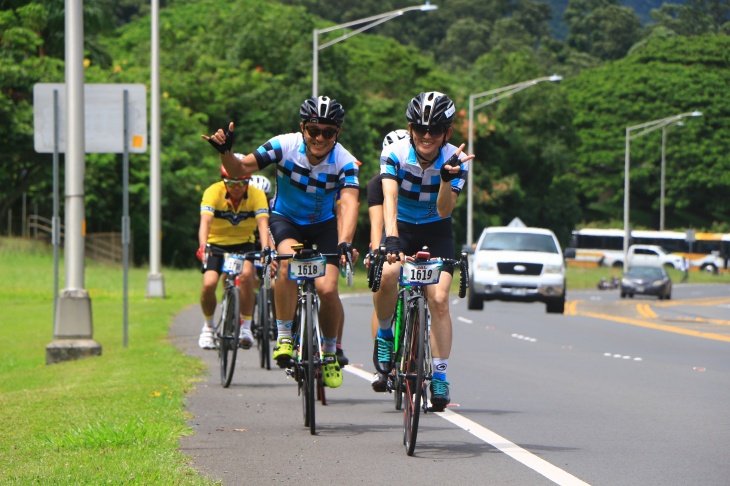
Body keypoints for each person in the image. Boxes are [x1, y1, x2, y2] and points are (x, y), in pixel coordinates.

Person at [202, 96, 359, 389]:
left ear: (337, 133)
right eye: (314, 130)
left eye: (328, 132)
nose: (320, 138)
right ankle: (285, 335)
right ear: (303, 128)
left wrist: (345, 242)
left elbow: (349, 204)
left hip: (324, 225)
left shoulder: (345, 161)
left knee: (328, 288)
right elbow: (239, 169)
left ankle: (328, 351)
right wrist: (226, 152)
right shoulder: (283, 146)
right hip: (286, 220)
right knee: (288, 266)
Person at [371, 92, 474, 409]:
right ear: (410, 128)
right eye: (420, 128)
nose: (427, 135)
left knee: (439, 298)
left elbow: (445, 210)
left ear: (448, 132)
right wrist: (391, 238)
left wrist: (446, 178)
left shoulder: (456, 161)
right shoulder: (395, 152)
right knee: (388, 274)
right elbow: (389, 197)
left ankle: (440, 376)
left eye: (435, 129)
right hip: (401, 225)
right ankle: (386, 336)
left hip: (436, 229)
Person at [197, 166, 273, 350]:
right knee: (209, 284)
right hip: (216, 244)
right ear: (224, 180)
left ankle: (246, 327)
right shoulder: (213, 192)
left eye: (242, 183)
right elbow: (205, 222)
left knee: (247, 276)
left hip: (242, 244)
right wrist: (203, 246)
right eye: (231, 183)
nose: (237, 187)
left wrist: (266, 251)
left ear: (248, 181)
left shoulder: (256, 195)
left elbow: (263, 225)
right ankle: (208, 327)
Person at [367, 129, 410, 392]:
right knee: (384, 282)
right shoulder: (377, 183)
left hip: (416, 236)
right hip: (389, 238)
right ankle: (381, 366)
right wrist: (376, 251)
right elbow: (376, 223)